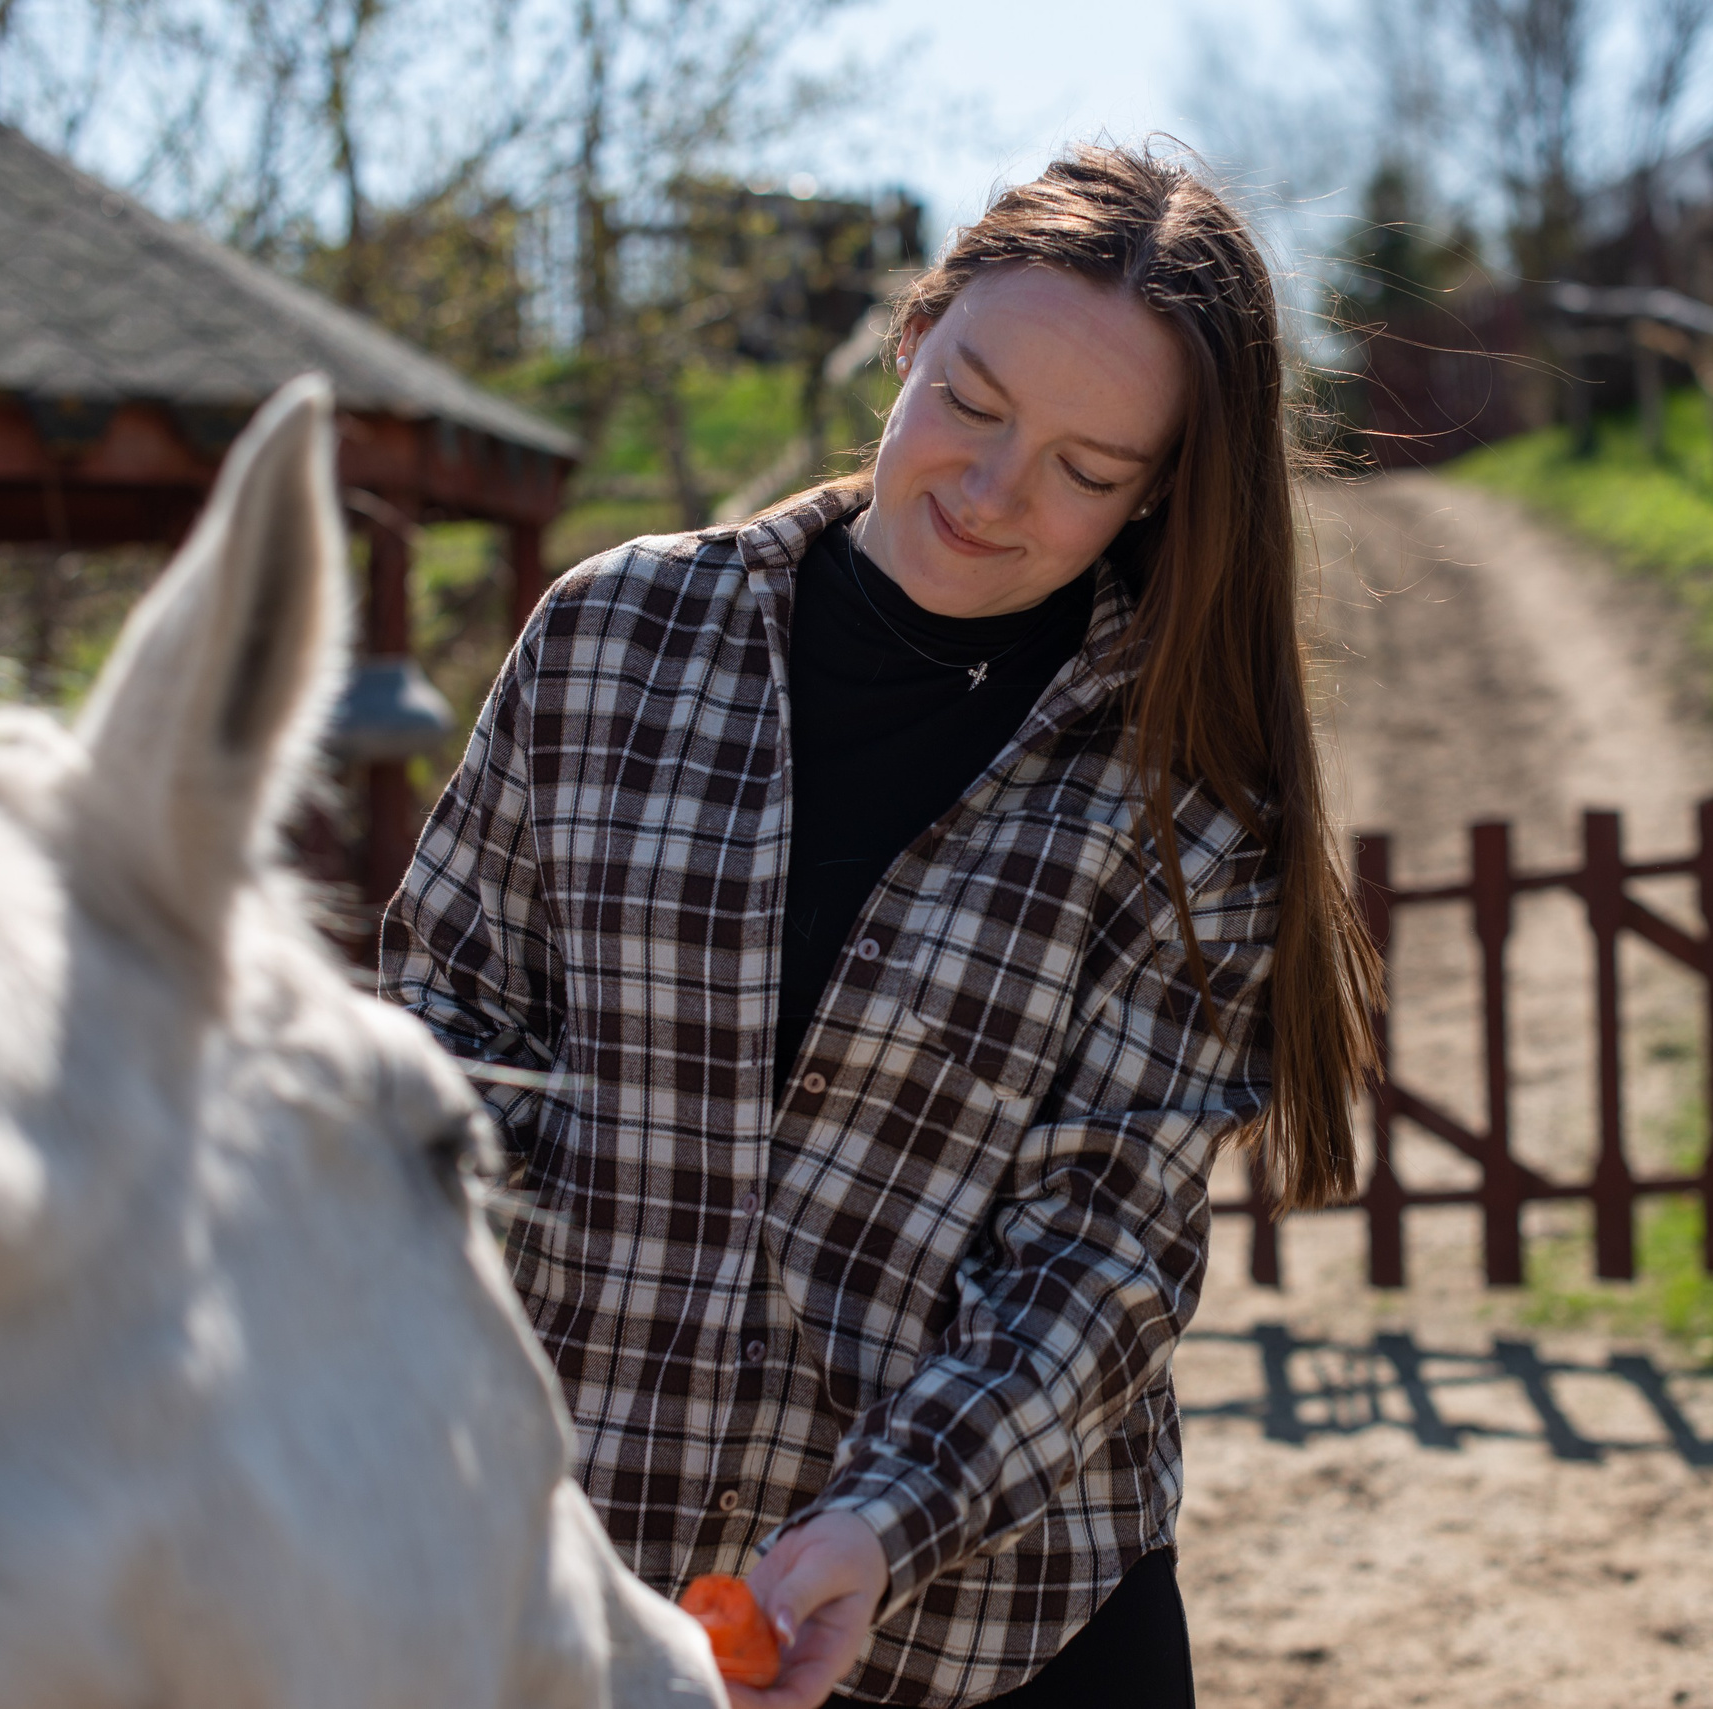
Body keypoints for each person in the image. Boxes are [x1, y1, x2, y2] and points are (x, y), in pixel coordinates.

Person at [382, 142, 1381, 1709]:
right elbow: (445, 1041)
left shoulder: (1190, 805)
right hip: (579, 1585)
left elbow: (1097, 1253)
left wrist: (882, 1515)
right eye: (973, 406)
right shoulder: (604, 641)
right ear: (914, 336)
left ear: (1164, 488)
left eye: (1086, 469)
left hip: (987, 1630)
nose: (994, 493)